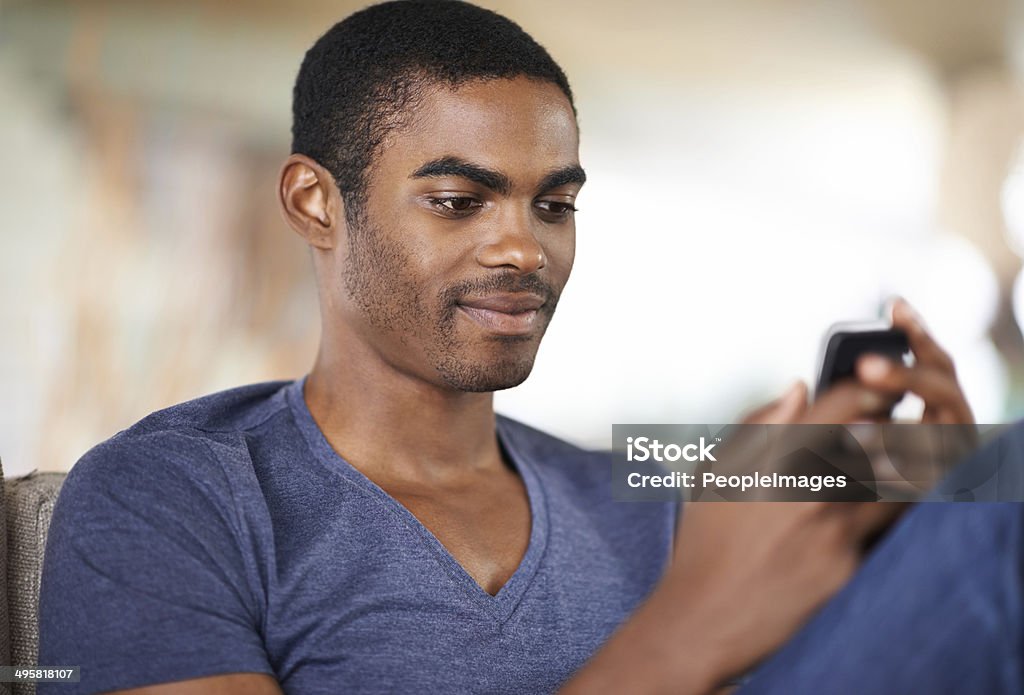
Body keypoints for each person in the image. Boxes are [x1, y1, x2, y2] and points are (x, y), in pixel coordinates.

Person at [38, 2, 1023, 694]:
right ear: (314, 203)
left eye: (554, 203)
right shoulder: (166, 493)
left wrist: (946, 457)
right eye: (459, 200)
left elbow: (943, 511)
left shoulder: (636, 474)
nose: (523, 247)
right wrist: (680, 638)